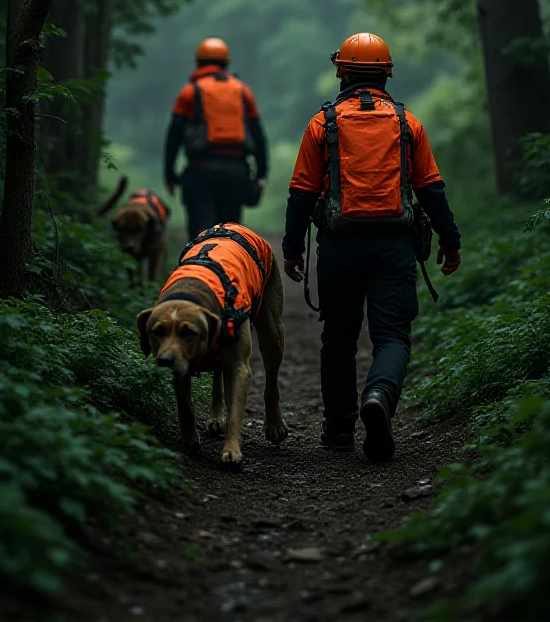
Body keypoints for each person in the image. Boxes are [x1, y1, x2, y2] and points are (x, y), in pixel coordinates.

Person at [282, 32, 461, 463]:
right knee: (392, 335)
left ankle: (340, 429)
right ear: (387, 74)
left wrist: (292, 249)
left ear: (341, 71)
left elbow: (301, 193)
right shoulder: (406, 123)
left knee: (339, 337)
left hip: (339, 246)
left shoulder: (321, 124)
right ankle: (379, 395)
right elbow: (431, 189)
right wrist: (450, 241)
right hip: (394, 246)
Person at [165, 37, 268, 239]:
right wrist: (261, 174)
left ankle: (199, 268)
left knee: (199, 235)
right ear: (226, 64)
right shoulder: (242, 91)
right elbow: (258, 136)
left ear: (198, 63)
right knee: (229, 234)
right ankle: (229, 269)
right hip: (236, 172)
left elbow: (174, 135)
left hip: (200, 171)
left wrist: (169, 174)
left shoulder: (189, 92)